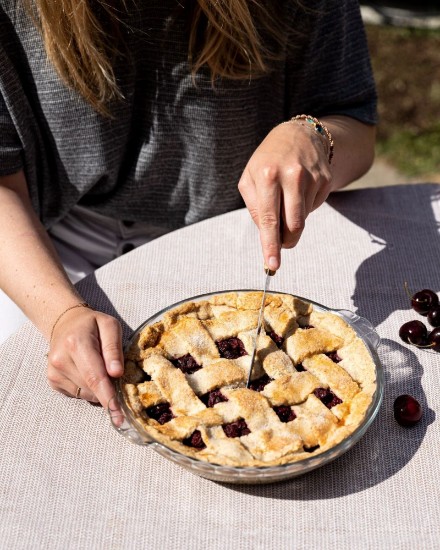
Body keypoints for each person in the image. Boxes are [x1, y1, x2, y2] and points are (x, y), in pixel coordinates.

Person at [0, 0, 377, 407]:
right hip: (46, 255)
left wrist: (313, 135)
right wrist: (61, 314)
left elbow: (356, 126)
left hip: (232, 241)